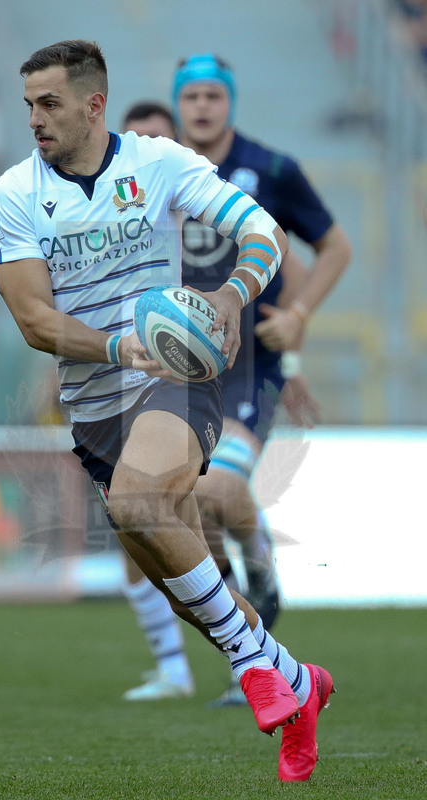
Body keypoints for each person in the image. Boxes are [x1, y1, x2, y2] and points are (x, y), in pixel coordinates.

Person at [0, 39, 335, 782]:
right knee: (183, 589)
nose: (35, 119)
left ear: (93, 105)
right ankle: (296, 679)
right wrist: (120, 347)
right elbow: (35, 321)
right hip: (96, 405)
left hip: (176, 380)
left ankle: (254, 669)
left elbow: (263, 234)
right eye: (28, 105)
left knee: (138, 501)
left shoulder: (160, 162)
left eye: (49, 103)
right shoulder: (14, 193)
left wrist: (229, 297)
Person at [120, 56, 351, 707]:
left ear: (229, 102)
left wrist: (297, 322)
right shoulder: (163, 174)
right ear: (177, 105)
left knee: (217, 490)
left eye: (212, 95)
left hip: (249, 365)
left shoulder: (270, 170)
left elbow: (323, 249)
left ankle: (261, 569)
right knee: (182, 509)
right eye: (190, 96)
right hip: (181, 366)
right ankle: (246, 655)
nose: (201, 106)